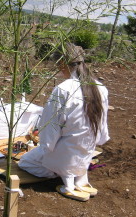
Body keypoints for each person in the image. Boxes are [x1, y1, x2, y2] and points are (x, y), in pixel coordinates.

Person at [18, 42, 110, 201]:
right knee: (75, 153)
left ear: (62, 63)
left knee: (25, 162)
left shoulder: (64, 89)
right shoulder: (100, 87)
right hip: (86, 149)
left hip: (64, 152)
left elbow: (51, 125)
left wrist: (46, 147)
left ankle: (67, 183)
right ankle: (81, 180)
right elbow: (102, 123)